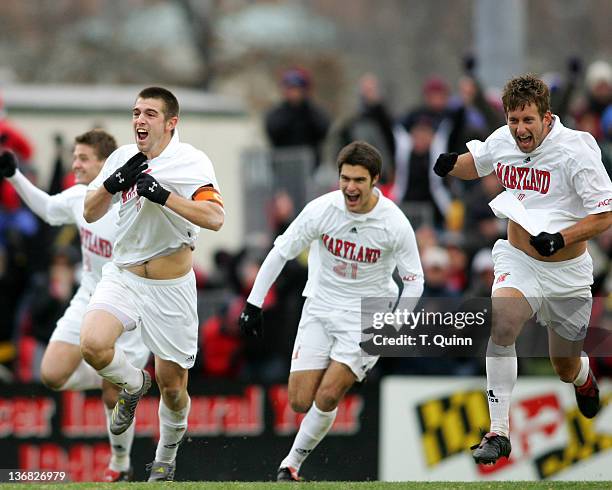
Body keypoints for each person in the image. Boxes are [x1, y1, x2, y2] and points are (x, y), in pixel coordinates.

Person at [433, 74, 612, 465]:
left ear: (547, 117)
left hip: (567, 273)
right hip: (519, 258)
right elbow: (477, 163)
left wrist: (562, 239)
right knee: (502, 323)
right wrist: (449, 165)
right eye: (514, 120)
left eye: (527, 120)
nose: (519, 129)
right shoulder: (504, 139)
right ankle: (498, 431)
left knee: (562, 365)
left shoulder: (577, 150)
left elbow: (605, 215)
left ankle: (582, 375)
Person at [239, 141, 424, 481]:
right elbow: (281, 251)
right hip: (321, 307)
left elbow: (414, 281)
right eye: (345, 179)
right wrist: (254, 302)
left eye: (359, 180)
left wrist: (395, 323)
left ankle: (290, 465)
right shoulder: (321, 210)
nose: (350, 188)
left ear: (375, 180)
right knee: (298, 400)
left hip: (368, 316)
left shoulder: (394, 223)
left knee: (328, 394)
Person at [79, 87, 224, 481]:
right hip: (123, 274)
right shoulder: (123, 156)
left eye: (150, 114)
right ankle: (132, 384)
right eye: (136, 113)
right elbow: (91, 213)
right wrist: (111, 184)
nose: (140, 121)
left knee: (173, 388)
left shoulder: (191, 161)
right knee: (92, 343)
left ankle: (165, 457)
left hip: (170, 287)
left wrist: (163, 196)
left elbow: (214, 217)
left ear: (171, 122)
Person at [0, 129, 150, 481]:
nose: (75, 164)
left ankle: (119, 464)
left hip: (129, 306)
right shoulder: (81, 198)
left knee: (115, 397)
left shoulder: (132, 207)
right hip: (89, 297)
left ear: (105, 164)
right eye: (75, 157)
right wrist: (13, 175)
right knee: (51, 375)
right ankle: (108, 376)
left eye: (83, 158)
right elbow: (49, 209)